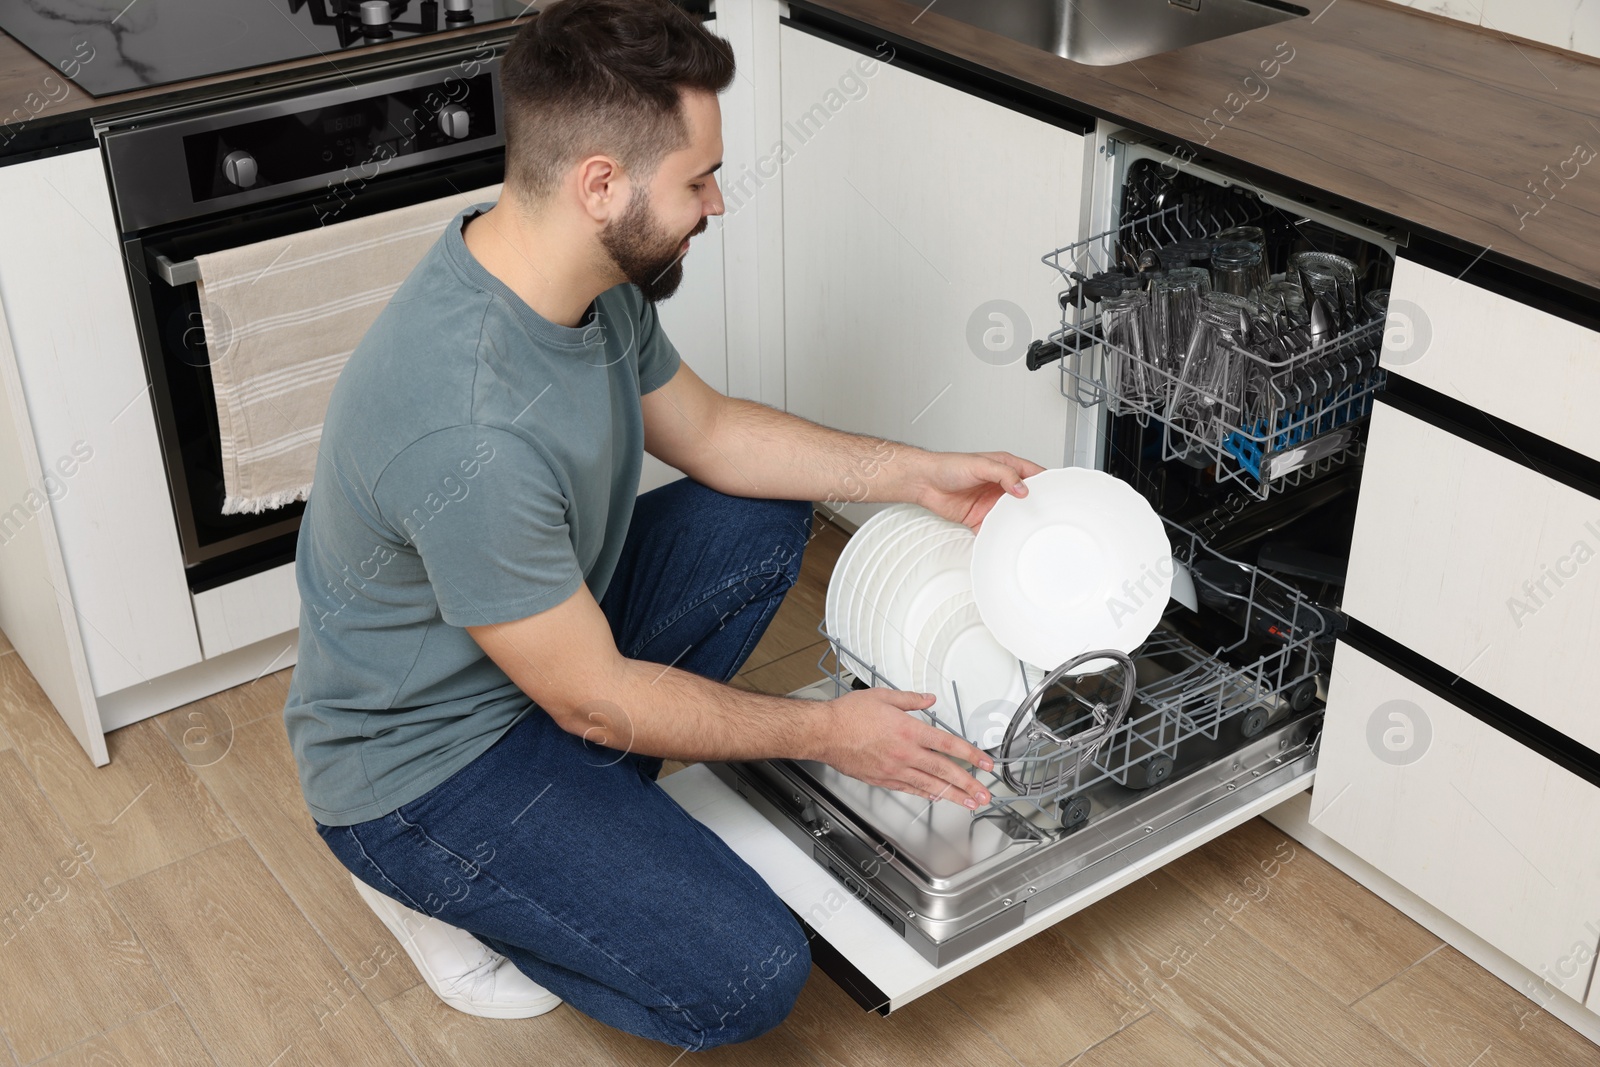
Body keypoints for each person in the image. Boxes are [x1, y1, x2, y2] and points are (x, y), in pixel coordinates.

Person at [283, 0, 1043, 1051]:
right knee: (750, 978)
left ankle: (579, 820)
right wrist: (829, 734)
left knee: (759, 511)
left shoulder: (575, 272)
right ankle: (448, 886)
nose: (717, 202)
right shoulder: (469, 426)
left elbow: (718, 434)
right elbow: (595, 697)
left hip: (541, 666)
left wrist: (917, 474)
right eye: (697, 179)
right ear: (601, 183)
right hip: (423, 768)